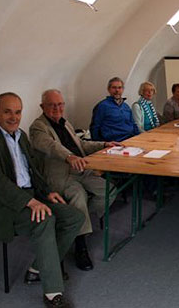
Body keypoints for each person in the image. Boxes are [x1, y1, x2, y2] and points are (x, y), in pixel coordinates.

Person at [0, 92, 84, 308]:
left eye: (18, 112)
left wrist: (46, 192)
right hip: (2, 205)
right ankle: (53, 293)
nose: (14, 117)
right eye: (7, 112)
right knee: (45, 220)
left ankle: (37, 269)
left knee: (73, 217)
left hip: (30, 197)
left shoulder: (21, 135)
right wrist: (30, 202)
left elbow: (33, 171)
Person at [30, 89, 120, 271]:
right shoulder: (38, 127)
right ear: (42, 106)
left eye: (60, 104)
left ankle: (75, 221)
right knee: (78, 196)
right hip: (61, 175)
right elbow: (50, 146)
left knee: (109, 191)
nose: (57, 108)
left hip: (81, 169)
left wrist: (102, 144)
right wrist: (69, 157)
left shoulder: (66, 123)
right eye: (52, 105)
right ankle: (81, 245)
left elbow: (82, 145)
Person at [90, 77, 140, 142]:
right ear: (109, 89)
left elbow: (133, 124)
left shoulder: (126, 106)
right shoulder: (102, 106)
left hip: (129, 139)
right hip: (113, 143)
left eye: (119, 88)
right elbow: (95, 127)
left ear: (122, 89)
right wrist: (101, 146)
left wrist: (139, 138)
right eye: (114, 88)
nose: (117, 90)